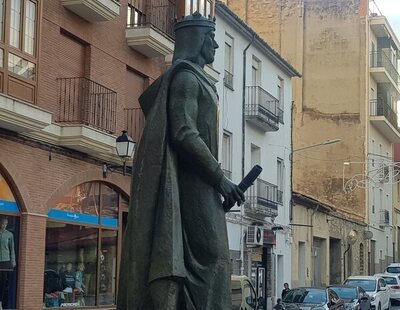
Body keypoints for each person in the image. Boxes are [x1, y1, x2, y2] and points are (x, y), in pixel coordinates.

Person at [117, 12, 244, 310]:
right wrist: (219, 178)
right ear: (196, 40)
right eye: (210, 37)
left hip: (204, 184)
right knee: (213, 258)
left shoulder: (200, 79)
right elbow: (184, 132)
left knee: (213, 260)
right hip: (190, 183)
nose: (214, 44)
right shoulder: (186, 78)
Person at [0, 217, 15, 310]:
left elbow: (12, 249)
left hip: (5, 261)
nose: (4, 226)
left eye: (5, 224)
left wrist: (13, 261)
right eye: (2, 224)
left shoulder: (9, 235)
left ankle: (0, 303)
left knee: (2, 283)